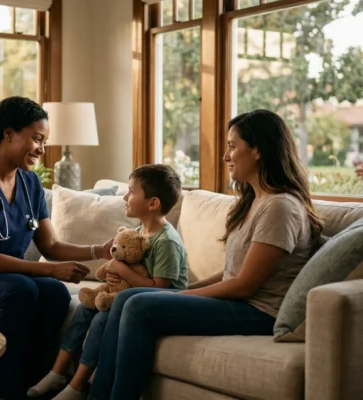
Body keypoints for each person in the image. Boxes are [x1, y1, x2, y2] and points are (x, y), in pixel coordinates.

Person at [87, 109, 324, 400]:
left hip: (261, 312)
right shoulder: (253, 202)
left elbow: (245, 285)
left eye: (232, 146)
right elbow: (230, 272)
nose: (226, 156)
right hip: (242, 303)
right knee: (127, 297)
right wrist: (185, 290)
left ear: (258, 151)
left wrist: (177, 296)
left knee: (138, 306)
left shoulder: (280, 206)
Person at [0, 96, 114, 400]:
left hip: (1, 278)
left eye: (44, 141)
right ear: (8, 134)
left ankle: (29, 380)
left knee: (54, 293)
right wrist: (53, 270)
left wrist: (98, 250)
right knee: (21, 290)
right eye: (36, 138)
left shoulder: (30, 183)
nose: (41, 148)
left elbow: (50, 245)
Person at [27, 164, 189, 400]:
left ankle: (77, 385)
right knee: (85, 308)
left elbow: (160, 289)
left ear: (153, 204)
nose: (125, 196)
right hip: (130, 294)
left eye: (132, 192)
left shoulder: (166, 241)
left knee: (102, 318)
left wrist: (121, 269)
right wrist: (114, 274)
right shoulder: (137, 230)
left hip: (162, 305)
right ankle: (57, 372)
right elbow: (124, 265)